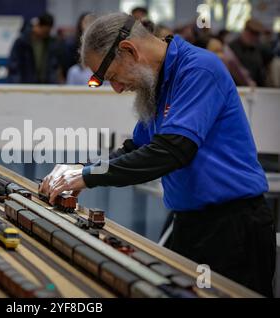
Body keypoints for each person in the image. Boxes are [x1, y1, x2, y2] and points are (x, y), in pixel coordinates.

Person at [40, 13, 276, 297]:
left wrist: (87, 177)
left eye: (112, 77)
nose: (116, 89)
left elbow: (171, 151)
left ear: (129, 50)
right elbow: (136, 149)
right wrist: (79, 169)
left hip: (234, 230)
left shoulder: (198, 69)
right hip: (191, 225)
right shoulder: (160, 82)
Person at [7, 13, 63, 84]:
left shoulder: (51, 43)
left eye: (48, 32)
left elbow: (54, 65)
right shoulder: (22, 42)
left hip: (45, 85)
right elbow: (14, 66)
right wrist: (17, 84)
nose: (46, 34)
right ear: (38, 26)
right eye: (45, 31)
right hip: (26, 85)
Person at [230, 19, 274, 87]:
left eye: (256, 35)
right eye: (251, 34)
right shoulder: (231, 48)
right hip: (237, 87)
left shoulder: (259, 48)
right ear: (245, 31)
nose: (254, 38)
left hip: (257, 88)